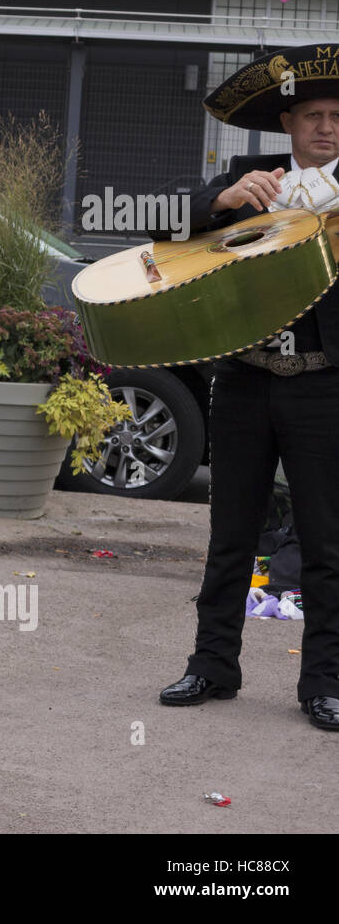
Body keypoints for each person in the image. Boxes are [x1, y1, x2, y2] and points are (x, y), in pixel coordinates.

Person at [158, 43, 339, 730]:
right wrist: (221, 202)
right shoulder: (244, 176)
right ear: (288, 124)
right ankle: (212, 665)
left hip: (325, 386)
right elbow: (162, 225)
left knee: (327, 542)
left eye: (337, 117)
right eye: (313, 115)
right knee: (231, 533)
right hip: (244, 378)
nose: (327, 127)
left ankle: (324, 681)